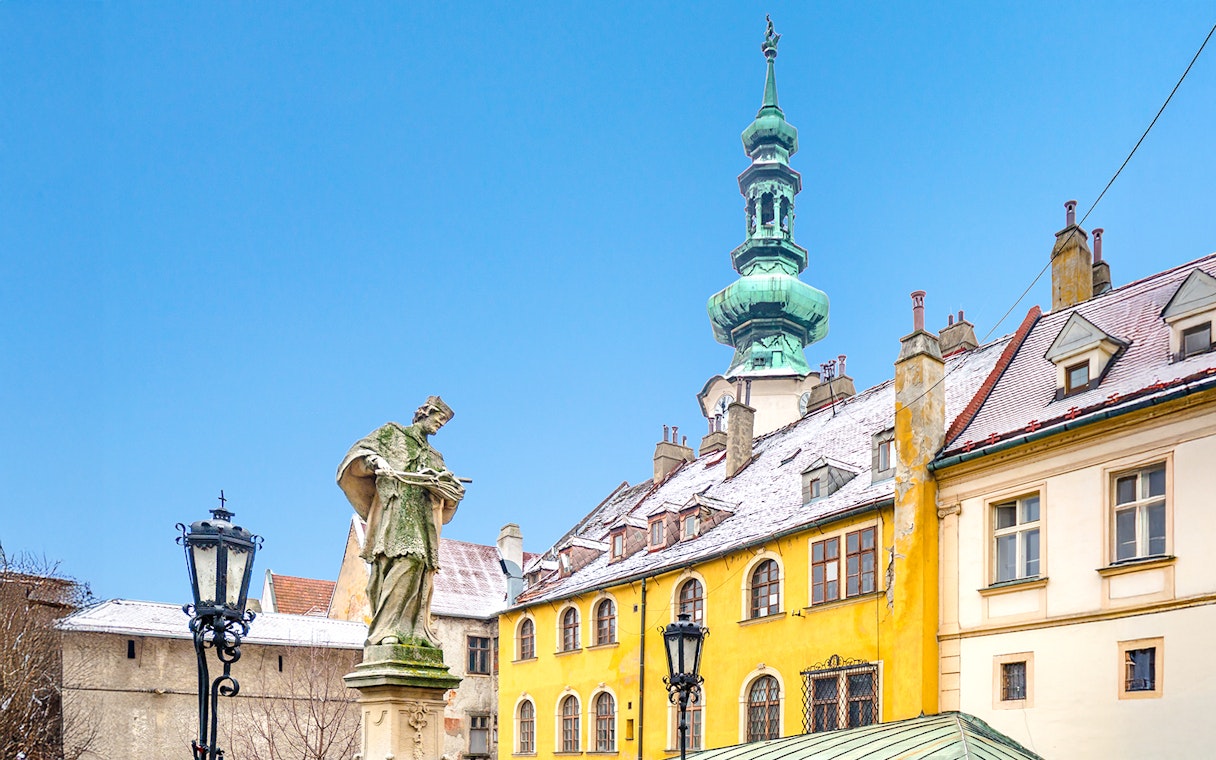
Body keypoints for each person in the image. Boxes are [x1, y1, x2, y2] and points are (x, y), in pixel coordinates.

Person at [336, 396, 465, 648]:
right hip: (396, 511)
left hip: (423, 516)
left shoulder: (435, 456)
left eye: (443, 424)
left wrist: (450, 488)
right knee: (405, 561)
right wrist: (376, 462)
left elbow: (448, 494)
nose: (439, 426)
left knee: (422, 570)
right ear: (424, 413)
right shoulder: (393, 434)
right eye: (438, 420)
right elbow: (359, 454)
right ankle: (386, 628)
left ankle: (417, 631)